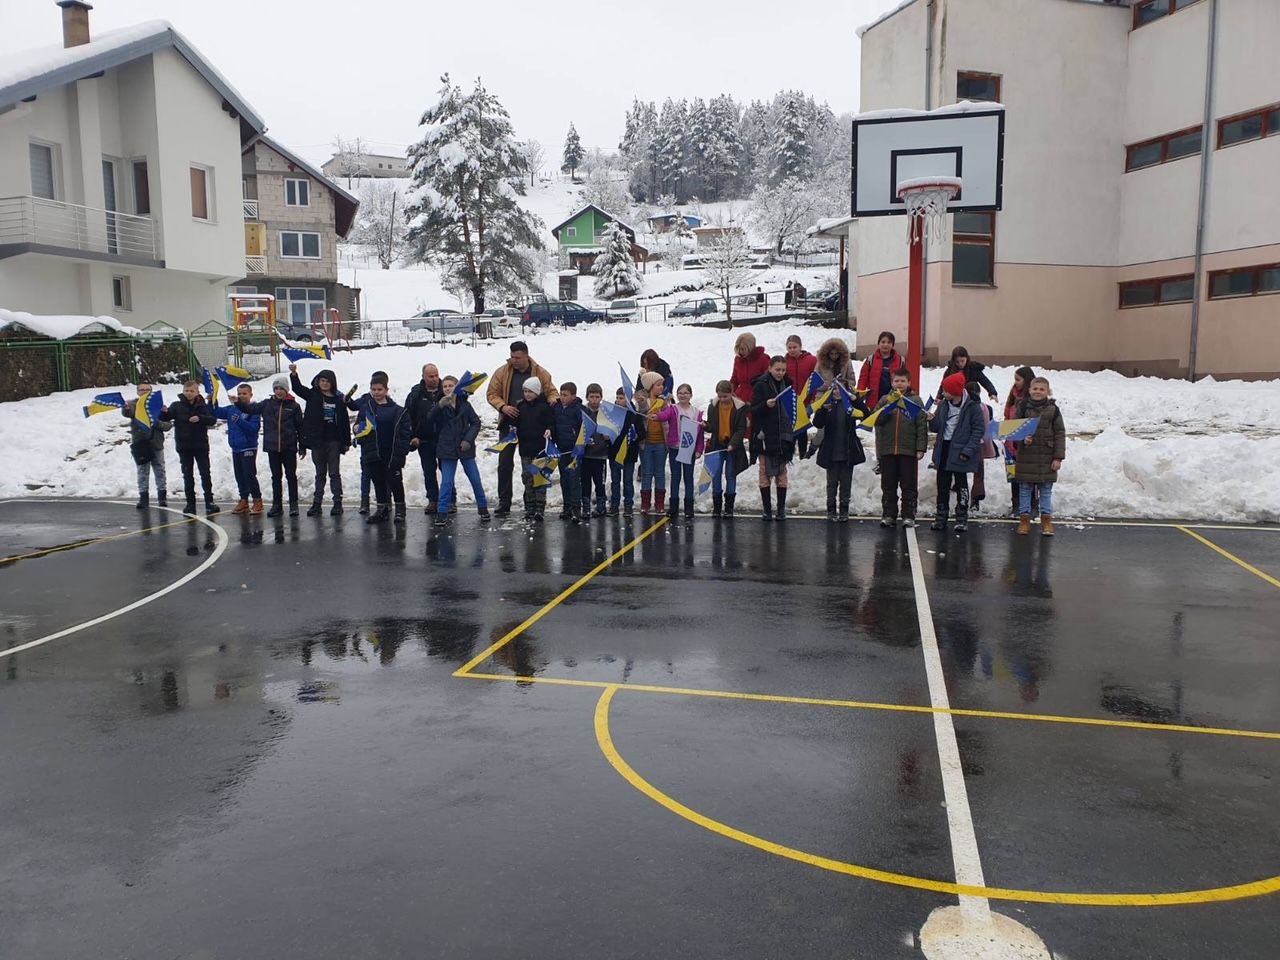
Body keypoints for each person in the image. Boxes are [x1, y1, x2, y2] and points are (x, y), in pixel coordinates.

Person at [486, 341, 554, 517]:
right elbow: (492, 393)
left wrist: (551, 405)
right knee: (505, 463)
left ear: (526, 356)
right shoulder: (502, 372)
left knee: (532, 467)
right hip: (510, 424)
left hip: (534, 428)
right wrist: (503, 407)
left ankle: (531, 504)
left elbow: (551, 392)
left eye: (517, 357)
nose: (513, 361)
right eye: (512, 357)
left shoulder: (540, 373)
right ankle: (504, 501)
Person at [290, 364, 353, 516]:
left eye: (328, 381)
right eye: (322, 380)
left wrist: (346, 441)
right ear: (317, 381)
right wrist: (294, 374)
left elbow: (344, 421)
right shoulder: (313, 394)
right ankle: (317, 503)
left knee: (334, 473)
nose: (324, 383)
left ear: (333, 383)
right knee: (320, 473)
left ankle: (337, 502)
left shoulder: (338, 399)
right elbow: (298, 389)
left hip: (333, 440)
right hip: (317, 440)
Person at [236, 376, 304, 518]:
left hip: (289, 447)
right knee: (276, 477)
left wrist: (302, 445)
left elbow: (300, 427)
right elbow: (250, 409)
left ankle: (293, 504)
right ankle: (277, 505)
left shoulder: (294, 406)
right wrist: (238, 402)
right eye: (276, 388)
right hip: (272, 447)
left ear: (286, 390)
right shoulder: (266, 404)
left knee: (291, 476)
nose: (279, 391)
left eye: (281, 388)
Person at [427, 375, 489, 527]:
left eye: (450, 385)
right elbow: (429, 419)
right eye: (445, 386)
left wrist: (468, 440)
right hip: (447, 448)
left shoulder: (465, 404)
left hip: (464, 448)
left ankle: (483, 508)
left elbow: (476, 423)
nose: (447, 388)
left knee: (475, 479)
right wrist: (439, 406)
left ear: (457, 387)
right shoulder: (440, 405)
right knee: (447, 482)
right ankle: (442, 512)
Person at [351, 372, 412, 524]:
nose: (376, 392)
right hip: (373, 451)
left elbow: (405, 433)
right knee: (378, 481)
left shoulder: (398, 410)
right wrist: (357, 428)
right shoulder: (366, 408)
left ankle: (400, 510)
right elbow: (358, 425)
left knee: (395, 481)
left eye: (379, 389)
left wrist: (403, 450)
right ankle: (381, 509)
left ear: (386, 390)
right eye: (373, 389)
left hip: (391, 452)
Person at [928, 371, 985, 532]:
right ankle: (941, 516)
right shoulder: (943, 404)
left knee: (961, 485)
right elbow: (938, 427)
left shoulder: (972, 407)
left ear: (955, 392)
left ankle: (961, 517)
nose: (943, 393)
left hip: (961, 450)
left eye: (946, 391)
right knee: (942, 485)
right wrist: (932, 421)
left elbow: (978, 430)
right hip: (944, 448)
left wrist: (968, 450)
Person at [872, 367, 929, 527]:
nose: (899, 384)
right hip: (888, 449)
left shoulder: (915, 401)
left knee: (908, 485)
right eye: (896, 381)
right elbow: (875, 420)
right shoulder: (885, 400)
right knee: (888, 485)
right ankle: (889, 514)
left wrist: (920, 448)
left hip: (908, 450)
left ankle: (908, 515)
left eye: (903, 381)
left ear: (909, 382)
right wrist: (885, 413)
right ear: (892, 383)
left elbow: (921, 426)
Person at [1014, 376, 1066, 537]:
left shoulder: (1053, 410)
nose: (1038, 392)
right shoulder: (1023, 407)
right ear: (1029, 390)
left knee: (1046, 491)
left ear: (1048, 392)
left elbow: (1060, 433)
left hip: (1047, 456)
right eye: (1035, 388)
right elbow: (1015, 429)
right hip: (1026, 456)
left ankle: (1046, 520)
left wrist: (1058, 457)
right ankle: (1024, 520)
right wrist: (1023, 439)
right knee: (1025, 489)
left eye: (1042, 389)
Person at [161, 380, 219, 516]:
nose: (189, 393)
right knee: (187, 475)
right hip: (184, 446)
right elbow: (166, 418)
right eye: (186, 391)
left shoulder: (202, 406)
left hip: (200, 445)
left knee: (205, 473)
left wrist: (200, 418)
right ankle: (190, 504)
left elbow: (212, 420)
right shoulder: (176, 405)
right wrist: (164, 412)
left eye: (192, 391)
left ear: (197, 392)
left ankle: (209, 502)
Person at [813, 386, 867, 523]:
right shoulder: (828, 405)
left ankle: (844, 510)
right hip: (831, 452)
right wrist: (823, 409)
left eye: (840, 389)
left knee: (846, 484)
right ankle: (831, 510)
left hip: (848, 451)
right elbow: (817, 423)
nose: (837, 392)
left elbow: (866, 415)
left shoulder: (850, 406)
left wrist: (857, 401)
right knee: (831, 484)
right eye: (835, 389)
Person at [750, 356, 794, 521]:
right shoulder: (761, 385)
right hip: (765, 435)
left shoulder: (788, 384)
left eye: (783, 370)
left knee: (782, 473)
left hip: (783, 435)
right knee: (764, 472)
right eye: (777, 369)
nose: (780, 373)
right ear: (769, 368)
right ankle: (767, 509)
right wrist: (765, 405)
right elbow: (753, 409)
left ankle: (780, 509)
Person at [654, 383, 704, 521]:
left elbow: (700, 433)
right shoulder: (673, 409)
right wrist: (657, 416)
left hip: (689, 449)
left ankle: (689, 507)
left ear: (691, 395)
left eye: (685, 393)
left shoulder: (696, 413)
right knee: (675, 477)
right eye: (680, 393)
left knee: (688, 478)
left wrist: (699, 449)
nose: (683, 395)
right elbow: (664, 416)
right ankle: (673, 507)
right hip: (675, 448)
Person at [212, 383, 264, 515]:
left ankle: (257, 500)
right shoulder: (232, 409)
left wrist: (239, 421)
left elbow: (253, 429)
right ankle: (244, 500)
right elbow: (216, 412)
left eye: (244, 393)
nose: (241, 396)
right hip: (236, 447)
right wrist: (212, 400)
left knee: (249, 474)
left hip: (248, 447)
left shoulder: (253, 410)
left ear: (251, 395)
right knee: (239, 475)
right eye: (239, 393)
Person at [704, 380, 748, 517]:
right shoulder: (713, 406)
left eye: (725, 396)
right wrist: (705, 425)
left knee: (730, 474)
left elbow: (741, 429)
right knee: (716, 474)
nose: (722, 399)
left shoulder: (739, 407)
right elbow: (712, 426)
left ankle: (729, 507)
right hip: (717, 445)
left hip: (732, 447)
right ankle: (717, 507)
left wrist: (733, 443)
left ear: (731, 393)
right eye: (720, 396)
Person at [122, 383, 171, 509]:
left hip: (156, 443)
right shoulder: (133, 404)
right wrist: (125, 408)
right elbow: (127, 412)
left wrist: (156, 422)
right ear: (137, 392)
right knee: (143, 472)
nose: (144, 391)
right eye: (142, 390)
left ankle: (162, 497)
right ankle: (143, 498)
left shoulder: (158, 405)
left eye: (147, 390)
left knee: (160, 470)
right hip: (141, 444)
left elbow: (168, 425)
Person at [405, 363, 445, 514]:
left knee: (446, 470)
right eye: (430, 376)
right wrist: (413, 436)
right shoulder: (416, 395)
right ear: (423, 377)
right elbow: (408, 417)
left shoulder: (446, 391)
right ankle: (433, 500)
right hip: (424, 440)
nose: (434, 379)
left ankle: (450, 499)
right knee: (429, 471)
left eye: (436, 375)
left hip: (444, 439)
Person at [515, 376, 555, 522]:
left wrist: (550, 429)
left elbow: (551, 423)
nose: (527, 394)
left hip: (540, 451)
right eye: (525, 391)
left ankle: (540, 508)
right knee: (528, 479)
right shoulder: (520, 407)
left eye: (530, 391)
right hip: (525, 450)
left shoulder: (544, 407)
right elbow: (515, 422)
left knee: (540, 479)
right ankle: (529, 507)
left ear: (537, 392)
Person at [1003, 365, 1037, 517]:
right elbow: (1007, 416)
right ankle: (1016, 505)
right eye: (1015, 379)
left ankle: (1032, 504)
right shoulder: (1013, 395)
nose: (1015, 382)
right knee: (1014, 476)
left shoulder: (1032, 399)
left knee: (1029, 476)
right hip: (1011, 443)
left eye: (1018, 379)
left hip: (1027, 444)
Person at [551, 382, 585, 521]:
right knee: (564, 479)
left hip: (574, 450)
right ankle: (567, 507)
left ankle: (576, 508)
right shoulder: (556, 408)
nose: (562, 397)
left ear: (573, 396)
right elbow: (552, 423)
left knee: (574, 479)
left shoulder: (578, 409)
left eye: (565, 395)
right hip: (561, 449)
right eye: (561, 394)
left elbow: (584, 426)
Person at [636, 373, 668, 515]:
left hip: (661, 443)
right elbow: (641, 412)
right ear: (650, 387)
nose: (661, 387)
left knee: (660, 473)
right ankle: (645, 503)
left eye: (662, 384)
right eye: (658, 385)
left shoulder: (664, 401)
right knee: (647, 473)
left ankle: (660, 503)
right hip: (646, 444)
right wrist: (642, 403)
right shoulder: (643, 401)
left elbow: (668, 416)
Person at [608, 387, 642, 517]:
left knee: (628, 481)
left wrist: (637, 435)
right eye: (617, 397)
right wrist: (606, 435)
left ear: (628, 399)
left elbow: (642, 432)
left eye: (621, 398)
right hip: (614, 452)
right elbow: (607, 428)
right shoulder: (612, 412)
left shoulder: (634, 414)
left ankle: (628, 506)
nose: (618, 400)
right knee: (615, 481)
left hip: (629, 453)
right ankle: (614, 505)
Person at [580, 384, 611, 519]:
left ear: (601, 397)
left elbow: (613, 429)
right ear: (587, 397)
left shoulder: (605, 413)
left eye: (597, 397)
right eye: (591, 397)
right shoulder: (582, 412)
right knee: (585, 483)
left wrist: (608, 437)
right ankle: (586, 508)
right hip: (585, 455)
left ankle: (601, 507)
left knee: (600, 483)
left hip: (600, 455)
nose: (594, 400)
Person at [785, 335, 818, 459]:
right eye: (789, 347)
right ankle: (789, 454)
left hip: (805, 400)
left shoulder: (811, 360)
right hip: (790, 401)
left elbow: (815, 379)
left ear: (800, 347)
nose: (792, 350)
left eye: (795, 347)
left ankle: (803, 454)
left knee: (802, 428)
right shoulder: (784, 361)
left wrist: (813, 397)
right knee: (790, 428)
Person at [857, 331, 903, 409]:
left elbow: (906, 379)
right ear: (878, 344)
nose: (886, 345)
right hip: (873, 401)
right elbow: (862, 380)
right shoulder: (870, 360)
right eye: (883, 342)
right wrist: (859, 397)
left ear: (893, 345)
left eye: (889, 342)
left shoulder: (900, 360)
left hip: (893, 401)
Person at [730, 332, 771, 406]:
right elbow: (734, 379)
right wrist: (729, 391)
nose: (741, 352)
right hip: (740, 397)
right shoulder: (738, 359)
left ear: (750, 347)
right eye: (739, 349)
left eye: (743, 349)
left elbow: (769, 379)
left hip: (757, 397)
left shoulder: (763, 359)